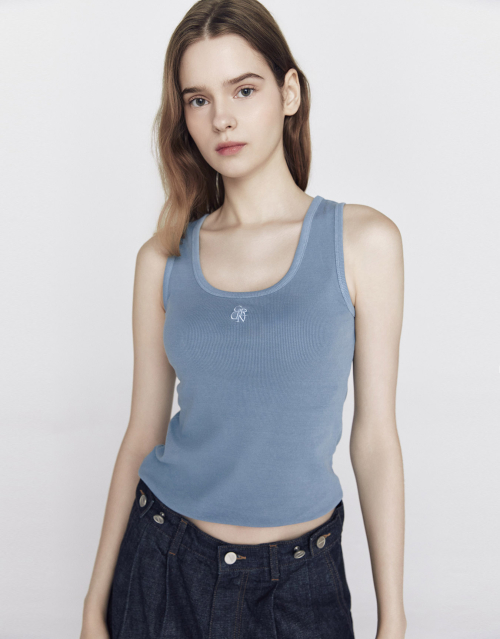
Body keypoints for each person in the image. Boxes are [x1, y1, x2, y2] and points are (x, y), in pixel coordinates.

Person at [80, 1, 406, 638]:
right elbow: (141, 435)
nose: (221, 118)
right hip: (162, 567)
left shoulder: (364, 243)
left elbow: (375, 438)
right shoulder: (163, 259)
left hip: (301, 585)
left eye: (244, 89)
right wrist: (94, 605)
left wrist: (392, 617)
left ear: (289, 93)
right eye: (198, 100)